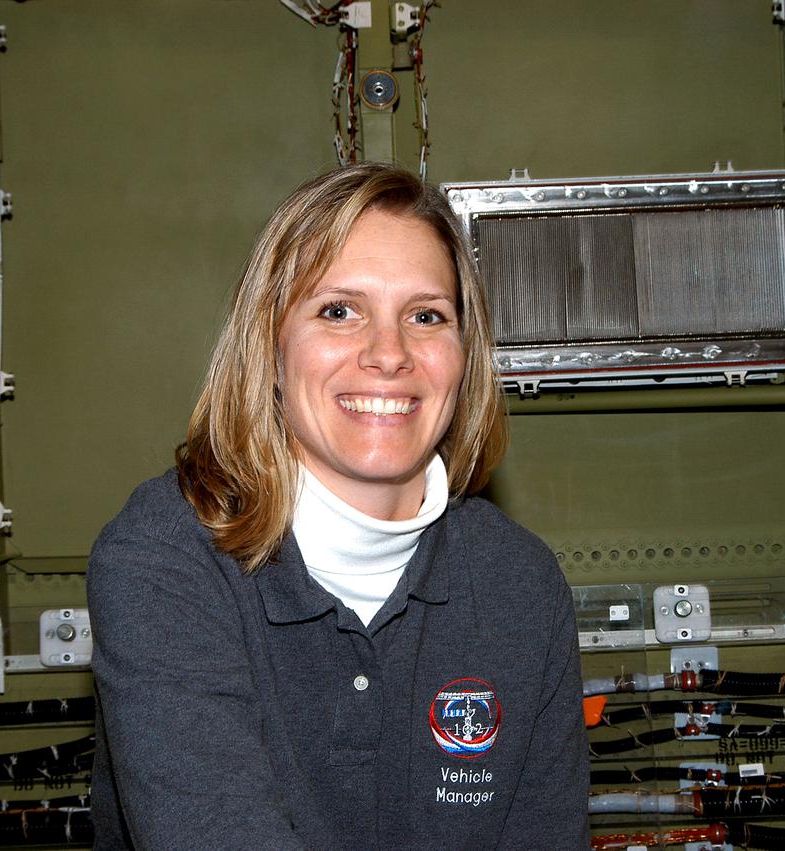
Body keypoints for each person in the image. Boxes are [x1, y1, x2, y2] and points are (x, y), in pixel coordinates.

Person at [87, 162, 589, 849]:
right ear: (269, 345)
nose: (390, 353)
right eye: (339, 310)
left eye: (426, 315)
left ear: (464, 355)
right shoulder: (164, 559)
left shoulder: (521, 586)